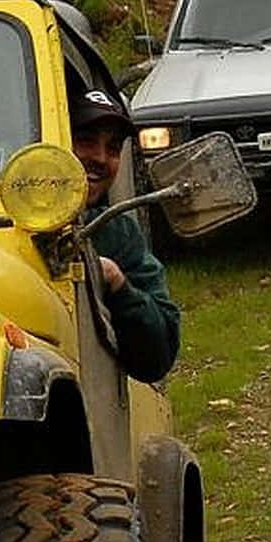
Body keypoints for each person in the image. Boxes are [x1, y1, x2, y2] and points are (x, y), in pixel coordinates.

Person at [70, 86, 181, 384]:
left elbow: (159, 355)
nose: (101, 158)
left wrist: (118, 285)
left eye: (114, 148)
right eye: (85, 140)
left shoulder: (115, 231)